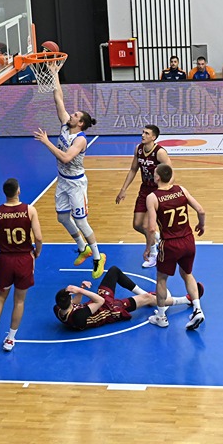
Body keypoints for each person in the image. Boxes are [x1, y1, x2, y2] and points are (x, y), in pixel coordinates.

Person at [33, 72, 106, 278]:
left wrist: (46, 142)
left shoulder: (80, 139)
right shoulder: (66, 124)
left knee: (81, 221)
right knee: (63, 217)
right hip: (63, 180)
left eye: (75, 115)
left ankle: (98, 257)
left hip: (76, 184)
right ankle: (83, 247)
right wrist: (54, 74)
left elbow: (65, 158)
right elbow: (58, 97)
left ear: (80, 123)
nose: (71, 115)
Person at [0, 177, 42, 353]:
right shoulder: (30, 210)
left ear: (4, 193)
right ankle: (10, 339)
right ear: (18, 191)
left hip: (5, 260)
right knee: (19, 301)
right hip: (24, 260)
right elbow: (38, 237)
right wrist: (37, 252)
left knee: (0, 297)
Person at [145, 163, 205, 330]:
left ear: (158, 177)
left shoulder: (153, 197)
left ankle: (161, 316)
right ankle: (197, 309)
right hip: (188, 240)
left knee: (161, 279)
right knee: (187, 274)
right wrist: (201, 225)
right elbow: (201, 210)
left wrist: (149, 248)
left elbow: (151, 228)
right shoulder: (181, 190)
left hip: (170, 244)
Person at [54, 266, 193, 331]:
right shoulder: (78, 317)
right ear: (69, 302)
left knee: (114, 271)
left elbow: (75, 303)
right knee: (148, 298)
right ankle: (186, 300)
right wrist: (81, 291)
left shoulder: (59, 309)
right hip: (109, 311)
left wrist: (80, 289)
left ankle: (145, 296)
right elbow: (100, 301)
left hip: (98, 304)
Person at [115, 124, 171, 268]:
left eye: (146, 133)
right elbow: (133, 169)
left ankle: (153, 254)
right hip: (144, 189)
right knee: (137, 224)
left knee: (147, 225)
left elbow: (170, 172)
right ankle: (157, 238)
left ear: (153, 137)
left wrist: (165, 190)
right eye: (143, 132)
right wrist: (123, 189)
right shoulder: (138, 149)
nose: (143, 135)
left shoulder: (160, 152)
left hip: (156, 191)